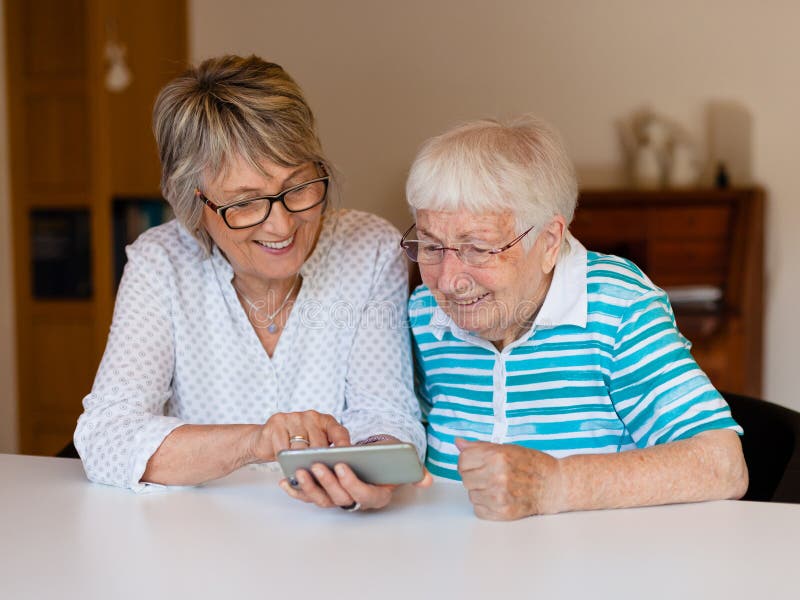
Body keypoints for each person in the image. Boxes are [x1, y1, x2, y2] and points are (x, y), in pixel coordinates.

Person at [74, 55, 430, 510]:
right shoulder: (161, 262)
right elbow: (105, 437)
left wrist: (376, 466)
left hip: (334, 543)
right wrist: (255, 442)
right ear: (193, 204)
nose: (281, 226)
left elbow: (386, 411)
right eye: (245, 204)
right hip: (198, 541)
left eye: (298, 187)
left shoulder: (370, 248)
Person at [402, 116, 748, 520]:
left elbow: (723, 465)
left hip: (597, 567)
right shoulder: (425, 312)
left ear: (548, 241)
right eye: (431, 246)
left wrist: (556, 484)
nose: (448, 280)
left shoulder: (616, 307)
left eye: (477, 248)